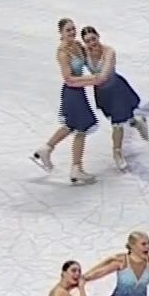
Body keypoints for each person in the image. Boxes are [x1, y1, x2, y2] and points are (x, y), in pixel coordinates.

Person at [31, 17, 104, 183]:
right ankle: (76, 168)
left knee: (71, 125)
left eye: (73, 29)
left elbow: (90, 62)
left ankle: (46, 149)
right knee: (81, 128)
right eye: (68, 30)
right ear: (61, 33)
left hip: (79, 91)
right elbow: (68, 78)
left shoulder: (78, 45)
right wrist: (92, 79)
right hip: (72, 92)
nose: (72, 32)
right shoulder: (63, 53)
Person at [79, 25, 149, 172]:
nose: (92, 43)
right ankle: (136, 121)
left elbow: (104, 75)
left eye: (93, 39)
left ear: (98, 36)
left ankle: (117, 153)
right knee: (117, 118)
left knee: (117, 124)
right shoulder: (84, 53)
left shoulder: (109, 51)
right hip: (102, 93)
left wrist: (78, 81)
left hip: (116, 89)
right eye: (88, 41)